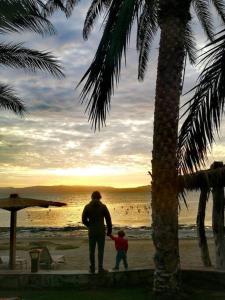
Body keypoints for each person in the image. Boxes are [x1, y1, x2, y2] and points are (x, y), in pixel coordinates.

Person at [82, 191, 112, 274]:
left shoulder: (87, 207)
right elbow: (108, 220)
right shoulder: (103, 207)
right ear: (100, 197)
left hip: (92, 231)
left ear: (92, 197)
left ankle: (92, 268)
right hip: (101, 231)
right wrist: (109, 231)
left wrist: (90, 225)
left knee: (91, 250)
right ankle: (100, 268)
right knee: (100, 250)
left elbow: (83, 220)